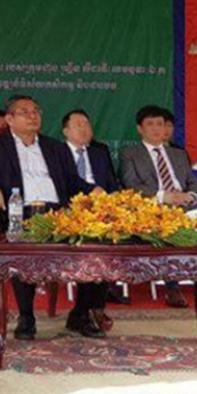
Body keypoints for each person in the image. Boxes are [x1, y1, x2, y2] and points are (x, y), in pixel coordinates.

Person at [0, 96, 108, 339]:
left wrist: (93, 190)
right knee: (24, 246)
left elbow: (73, 182)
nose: (33, 116)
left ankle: (80, 314)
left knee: (99, 244)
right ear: (9, 119)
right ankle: (26, 316)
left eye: (36, 111)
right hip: (18, 213)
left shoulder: (55, 147)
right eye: (25, 112)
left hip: (59, 214)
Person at [120, 105, 197, 307]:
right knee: (170, 231)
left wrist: (190, 196)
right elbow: (130, 185)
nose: (156, 128)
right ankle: (172, 288)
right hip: (156, 210)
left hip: (186, 207)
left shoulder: (178, 154)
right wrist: (163, 197)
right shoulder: (130, 153)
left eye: (160, 124)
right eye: (150, 124)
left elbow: (193, 183)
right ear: (140, 129)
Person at [57, 109, 125, 307]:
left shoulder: (99, 152)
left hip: (102, 210)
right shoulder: (57, 152)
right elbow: (65, 182)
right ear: (66, 131)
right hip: (70, 209)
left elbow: (111, 182)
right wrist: (90, 191)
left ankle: (105, 283)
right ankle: (94, 295)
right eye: (78, 125)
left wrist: (115, 198)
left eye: (87, 124)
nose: (84, 129)